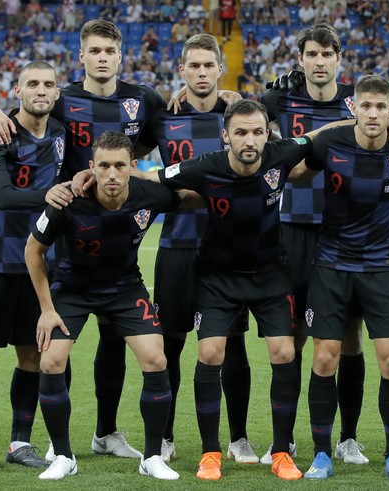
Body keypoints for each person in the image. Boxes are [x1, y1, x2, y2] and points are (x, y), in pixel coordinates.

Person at [0, 19, 169, 461]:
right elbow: (30, 113)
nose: (102, 57)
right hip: (71, 222)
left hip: (117, 219)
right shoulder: (64, 98)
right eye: (95, 50)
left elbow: (166, 127)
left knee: (114, 335)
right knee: (62, 336)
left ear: (120, 55)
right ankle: (57, 437)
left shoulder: (143, 98)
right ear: (82, 55)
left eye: (110, 50)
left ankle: (106, 432)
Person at [144, 100, 337, 481]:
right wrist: (101, 176)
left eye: (257, 132)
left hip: (269, 275)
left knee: (284, 352)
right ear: (226, 135)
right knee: (211, 352)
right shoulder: (205, 166)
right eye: (241, 132)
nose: (250, 140)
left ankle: (281, 452)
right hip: (217, 277)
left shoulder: (280, 155)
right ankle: (210, 453)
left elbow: (319, 135)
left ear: (268, 133)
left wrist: (364, 118)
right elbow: (157, 178)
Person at [25, 131, 192, 481]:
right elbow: (33, 251)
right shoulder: (68, 200)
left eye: (119, 165)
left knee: (156, 358)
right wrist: (47, 309)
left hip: (124, 287)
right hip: (72, 288)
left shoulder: (151, 195)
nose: (112, 174)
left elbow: (190, 198)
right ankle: (64, 456)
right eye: (104, 166)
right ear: (92, 168)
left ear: (133, 167)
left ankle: (151, 458)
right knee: (51, 361)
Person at [290, 75, 389, 481]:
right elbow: (292, 172)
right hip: (331, 265)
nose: (374, 113)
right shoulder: (330, 144)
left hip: (381, 267)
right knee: (325, 358)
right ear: (354, 108)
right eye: (366, 106)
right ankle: (323, 454)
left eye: (382, 106)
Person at [259, 23, 368, 465]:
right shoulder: (277, 100)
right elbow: (239, 115)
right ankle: (283, 441)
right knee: (293, 338)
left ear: (338, 60)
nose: (319, 62)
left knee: (348, 336)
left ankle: (348, 438)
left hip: (345, 232)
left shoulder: (358, 103)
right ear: (300, 59)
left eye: (327, 55)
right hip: (291, 227)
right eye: (312, 55)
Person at [149, 33, 258, 464]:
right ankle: (167, 435)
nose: (200, 72)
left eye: (207, 65)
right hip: (176, 245)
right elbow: (122, 154)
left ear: (219, 69)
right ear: (182, 71)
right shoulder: (161, 119)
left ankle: (238, 438)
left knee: (232, 344)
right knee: (170, 344)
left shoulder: (239, 116)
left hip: (228, 250)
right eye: (192, 65)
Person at [0, 61, 65, 472]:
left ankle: (19, 443)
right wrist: (53, 194)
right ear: (17, 91)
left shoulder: (59, 132)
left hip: (38, 262)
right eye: (32, 84)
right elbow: (2, 196)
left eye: (48, 85)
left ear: (58, 93)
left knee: (31, 356)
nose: (41, 90)